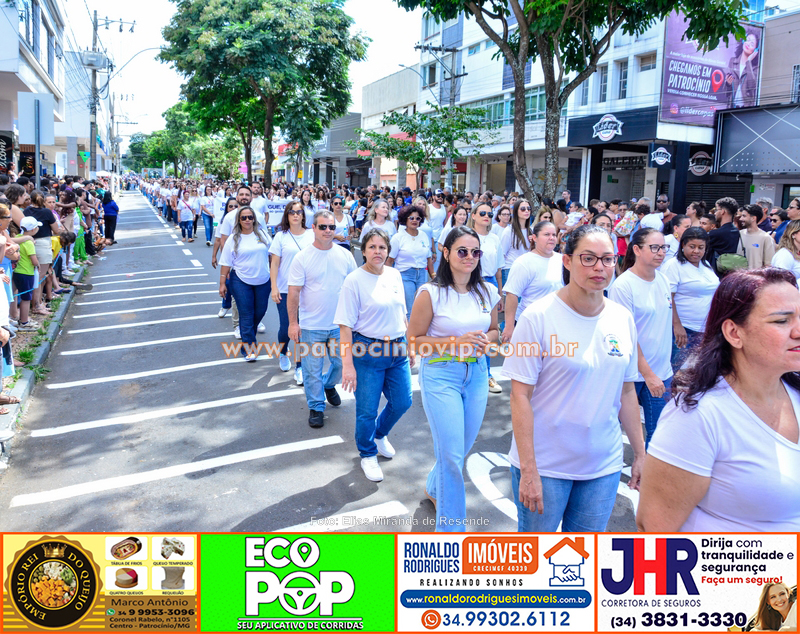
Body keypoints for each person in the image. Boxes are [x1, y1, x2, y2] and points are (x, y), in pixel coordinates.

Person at [504, 225, 645, 532]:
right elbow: (519, 396)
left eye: (608, 259)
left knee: (581, 563)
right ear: (566, 262)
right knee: (536, 565)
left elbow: (627, 393)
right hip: (546, 466)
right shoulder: (538, 317)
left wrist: (640, 454)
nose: (600, 267)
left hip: (602, 467)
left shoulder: (622, 318)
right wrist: (529, 470)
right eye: (588, 258)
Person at [637, 268, 800, 532]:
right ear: (735, 333)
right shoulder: (698, 416)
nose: (798, 331)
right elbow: (655, 530)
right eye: (782, 321)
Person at [408, 226, 500, 531]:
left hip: (477, 375)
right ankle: (451, 534)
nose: (470, 257)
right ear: (446, 253)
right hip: (441, 374)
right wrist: (455, 342)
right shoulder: (431, 293)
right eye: (462, 251)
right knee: (451, 457)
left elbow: (495, 331)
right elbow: (414, 340)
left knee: (458, 449)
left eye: (476, 252)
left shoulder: (487, 290)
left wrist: (486, 340)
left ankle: (435, 489)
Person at [336, 228, 412, 482]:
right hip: (368, 351)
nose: (377, 252)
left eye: (382, 247)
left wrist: (409, 343)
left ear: (388, 251)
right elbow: (345, 326)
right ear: (363, 250)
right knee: (367, 409)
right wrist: (348, 365)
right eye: (372, 247)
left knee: (403, 401)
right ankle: (367, 453)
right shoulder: (354, 280)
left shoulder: (394, 274)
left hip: (398, 348)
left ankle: (379, 435)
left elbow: (402, 312)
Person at [288, 210, 357, 428]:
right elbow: (294, 293)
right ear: (313, 229)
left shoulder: (345, 255)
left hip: (339, 326)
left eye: (331, 227)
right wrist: (293, 323)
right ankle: (316, 407)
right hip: (311, 326)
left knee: (339, 363)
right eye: (323, 227)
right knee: (311, 369)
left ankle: (329, 385)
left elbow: (355, 287)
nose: (328, 231)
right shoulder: (302, 257)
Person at [609, 228, 673, 446]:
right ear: (636, 249)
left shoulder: (663, 280)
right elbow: (625, 335)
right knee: (609, 428)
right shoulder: (624, 285)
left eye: (664, 247)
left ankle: (647, 478)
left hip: (662, 371)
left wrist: (658, 374)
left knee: (659, 434)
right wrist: (648, 374)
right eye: (654, 247)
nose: (661, 252)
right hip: (631, 374)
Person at [662, 228, 719, 373]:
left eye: (701, 247)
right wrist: (677, 326)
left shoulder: (705, 265)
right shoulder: (673, 265)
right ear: (683, 246)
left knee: (695, 373)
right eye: (692, 247)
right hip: (684, 330)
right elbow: (668, 298)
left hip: (705, 329)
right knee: (676, 371)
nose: (696, 251)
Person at [218, 207, 272, 362]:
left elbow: (273, 256)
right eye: (244, 218)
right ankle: (249, 347)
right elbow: (226, 262)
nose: (247, 220)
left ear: (254, 219)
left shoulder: (262, 235)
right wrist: (222, 283)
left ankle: (247, 339)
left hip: (263, 280)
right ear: (239, 220)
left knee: (259, 312)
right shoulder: (233, 238)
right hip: (240, 280)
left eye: (250, 217)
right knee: (246, 313)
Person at [269, 199, 314, 383]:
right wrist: (274, 287)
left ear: (303, 215)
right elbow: (275, 263)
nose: (296, 215)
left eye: (299, 212)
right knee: (286, 327)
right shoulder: (281, 236)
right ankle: (282, 352)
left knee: (302, 329)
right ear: (287, 215)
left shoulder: (312, 235)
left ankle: (300, 366)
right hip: (286, 289)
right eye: (292, 212)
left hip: (308, 290)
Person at [502, 221, 563, 344]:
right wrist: (509, 327)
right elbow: (512, 295)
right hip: (530, 324)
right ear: (534, 238)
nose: (551, 238)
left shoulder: (562, 259)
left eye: (554, 235)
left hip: (556, 324)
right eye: (546, 234)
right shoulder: (524, 262)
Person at [468, 201, 504, 394]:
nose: (486, 217)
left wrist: (500, 293)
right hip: (469, 282)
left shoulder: (494, 239)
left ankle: (487, 374)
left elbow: (498, 269)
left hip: (489, 284)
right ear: (473, 215)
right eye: (482, 213)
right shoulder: (465, 236)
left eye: (490, 214)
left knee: (488, 330)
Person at [388, 205, 434, 319]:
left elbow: (428, 258)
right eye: (411, 218)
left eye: (417, 218)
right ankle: (408, 335)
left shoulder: (423, 235)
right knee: (409, 308)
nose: (414, 221)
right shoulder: (398, 238)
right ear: (405, 219)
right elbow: (389, 260)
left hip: (422, 275)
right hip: (405, 275)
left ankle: (418, 333)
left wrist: (433, 275)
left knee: (421, 306)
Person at [500, 199, 533, 287]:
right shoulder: (509, 231)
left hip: (526, 269)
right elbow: (502, 254)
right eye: (523, 209)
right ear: (516, 211)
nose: (526, 211)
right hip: (510, 269)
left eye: (528, 208)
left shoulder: (531, 230)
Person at [726, 29, 760, 108]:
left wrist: (748, 62)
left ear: (755, 50)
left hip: (745, 110)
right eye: (747, 40)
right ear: (743, 41)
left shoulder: (755, 68)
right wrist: (728, 84)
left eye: (752, 44)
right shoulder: (732, 61)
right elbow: (726, 93)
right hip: (731, 108)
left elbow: (752, 88)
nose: (748, 44)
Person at [708, 197, 742, 275]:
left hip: (717, 273)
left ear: (723, 211)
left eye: (716, 210)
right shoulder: (738, 232)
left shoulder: (715, 234)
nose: (715, 213)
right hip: (733, 273)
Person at [739, 203, 777, 269]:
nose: (741, 219)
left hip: (755, 278)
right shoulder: (739, 234)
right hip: (739, 277)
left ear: (753, 218)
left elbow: (769, 265)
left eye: (744, 216)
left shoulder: (766, 238)